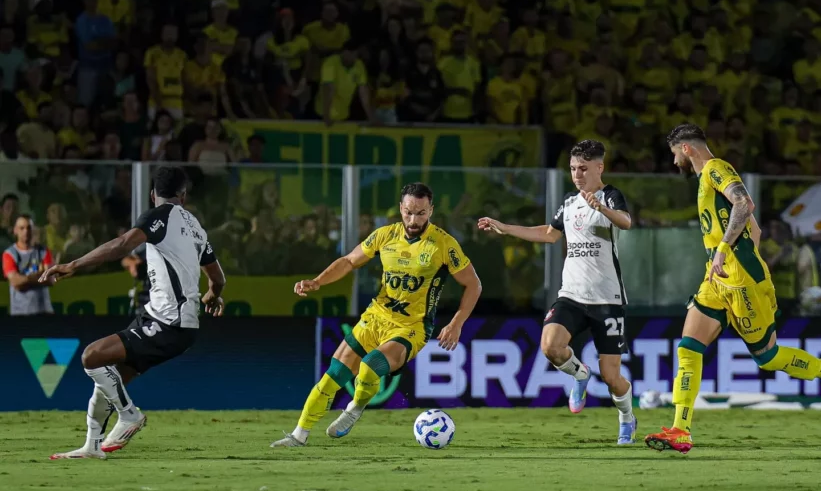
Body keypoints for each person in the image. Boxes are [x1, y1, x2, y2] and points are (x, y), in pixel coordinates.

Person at [646, 125, 821, 455]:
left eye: (673, 154)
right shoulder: (704, 179)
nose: (673, 163)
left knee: (767, 357)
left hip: (740, 279)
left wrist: (728, 250)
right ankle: (680, 430)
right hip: (716, 278)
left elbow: (745, 204)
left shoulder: (716, 168)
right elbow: (752, 229)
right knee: (688, 348)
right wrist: (729, 253)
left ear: (686, 149)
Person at [272, 182, 481, 447]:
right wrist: (318, 281)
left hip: (411, 326)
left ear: (431, 210)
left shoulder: (443, 245)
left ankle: (355, 408)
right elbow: (349, 260)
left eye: (420, 213)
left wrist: (456, 323)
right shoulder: (385, 235)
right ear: (400, 208)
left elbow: (473, 284)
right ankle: (298, 436)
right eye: (408, 212)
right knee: (334, 375)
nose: (413, 219)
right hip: (376, 317)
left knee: (371, 364)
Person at [41, 166, 226, 460]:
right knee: (110, 379)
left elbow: (121, 245)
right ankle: (92, 446)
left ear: (153, 195)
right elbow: (218, 279)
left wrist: (73, 265)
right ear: (184, 196)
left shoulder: (159, 215)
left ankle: (129, 416)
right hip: (172, 322)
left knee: (92, 356)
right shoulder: (196, 226)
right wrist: (212, 297)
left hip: (168, 322)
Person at [477, 139, 636, 445]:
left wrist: (600, 207)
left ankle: (627, 418)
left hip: (607, 300)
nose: (578, 175)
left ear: (599, 168)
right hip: (572, 296)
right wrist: (506, 228)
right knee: (550, 346)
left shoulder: (610, 195)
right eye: (574, 168)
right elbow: (550, 235)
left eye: (584, 169)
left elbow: (626, 223)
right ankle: (579, 375)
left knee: (613, 378)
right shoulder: (569, 202)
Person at [2, 214, 54, 315]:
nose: (26, 231)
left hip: (44, 313)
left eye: (29, 227)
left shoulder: (43, 251)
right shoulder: (9, 254)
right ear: (15, 230)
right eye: (22, 228)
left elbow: (51, 279)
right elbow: (15, 282)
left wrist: (25, 279)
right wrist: (39, 276)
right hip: (21, 315)